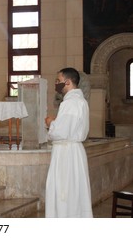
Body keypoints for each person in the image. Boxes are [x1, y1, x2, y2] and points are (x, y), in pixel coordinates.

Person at [44, 67, 93, 218]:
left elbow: (61, 132)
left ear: (68, 82)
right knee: (74, 192)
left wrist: (51, 123)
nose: (56, 84)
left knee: (64, 193)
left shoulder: (71, 102)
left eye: (58, 81)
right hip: (72, 151)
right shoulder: (79, 101)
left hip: (66, 153)